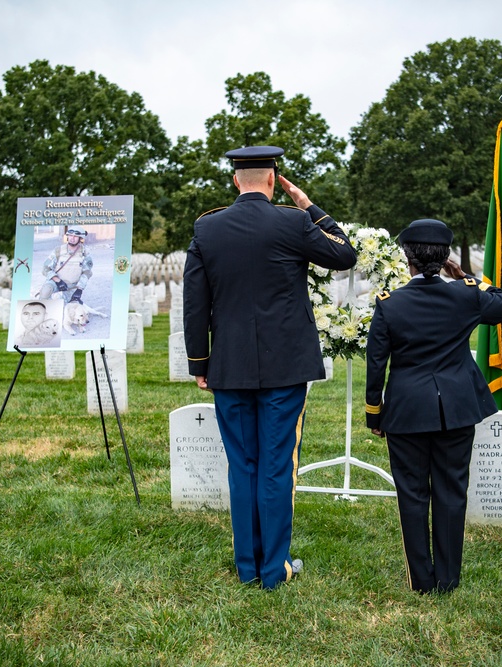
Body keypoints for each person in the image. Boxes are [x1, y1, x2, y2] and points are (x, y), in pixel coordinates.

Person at [183, 145, 358, 589]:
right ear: (274, 178)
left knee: (242, 466)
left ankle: (247, 567)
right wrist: (307, 204)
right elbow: (345, 254)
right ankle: (273, 570)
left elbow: (194, 303)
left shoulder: (207, 228)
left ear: (236, 180)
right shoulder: (293, 221)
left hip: (228, 366)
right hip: (285, 368)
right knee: (277, 466)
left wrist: (198, 363)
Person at [365, 218, 502, 594]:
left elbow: (376, 363)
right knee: (451, 491)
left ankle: (421, 580)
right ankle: (448, 579)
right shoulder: (465, 294)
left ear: (406, 258)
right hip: (457, 408)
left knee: (413, 493)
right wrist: (467, 276)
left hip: (406, 410)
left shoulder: (390, 304)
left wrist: (374, 411)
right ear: (446, 257)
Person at [38, 226, 93, 303]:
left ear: (80, 238)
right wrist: (58, 281)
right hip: (56, 282)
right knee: (45, 291)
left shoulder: (85, 253)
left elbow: (87, 273)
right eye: (70, 235)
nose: (72, 238)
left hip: (72, 286)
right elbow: (45, 268)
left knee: (72, 309)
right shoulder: (58, 250)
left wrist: (79, 289)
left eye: (75, 236)